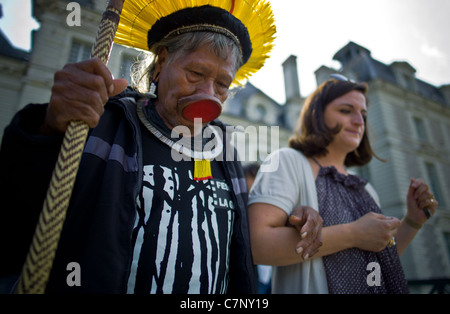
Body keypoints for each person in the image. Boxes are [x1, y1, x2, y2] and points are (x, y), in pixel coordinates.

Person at [0, 0, 322, 294]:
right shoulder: (103, 124)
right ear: (161, 63)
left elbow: (240, 237)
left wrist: (291, 217)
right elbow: (17, 218)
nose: (209, 93)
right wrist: (48, 128)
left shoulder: (224, 150)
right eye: (196, 73)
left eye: (223, 84)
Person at [248, 75, 439, 294]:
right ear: (317, 116)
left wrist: (413, 221)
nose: (359, 121)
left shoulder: (366, 189)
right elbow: (258, 245)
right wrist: (353, 234)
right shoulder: (287, 160)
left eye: (363, 114)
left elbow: (380, 259)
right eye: (346, 111)